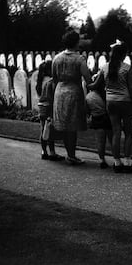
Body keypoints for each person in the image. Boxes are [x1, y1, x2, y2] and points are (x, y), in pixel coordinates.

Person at [92, 40, 132, 173]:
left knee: (116, 132)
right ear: (124, 55)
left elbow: (95, 85)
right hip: (125, 101)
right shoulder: (127, 68)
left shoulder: (105, 67)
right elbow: (131, 88)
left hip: (110, 102)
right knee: (129, 133)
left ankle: (117, 163)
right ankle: (127, 162)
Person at [52, 29, 92, 165]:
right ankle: (72, 155)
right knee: (72, 126)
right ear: (76, 42)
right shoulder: (79, 59)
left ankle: (69, 154)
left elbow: (54, 78)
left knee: (64, 124)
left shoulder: (56, 58)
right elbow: (88, 79)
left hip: (59, 92)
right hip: (74, 93)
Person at [35, 60, 64, 161]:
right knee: (49, 129)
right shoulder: (50, 81)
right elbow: (51, 96)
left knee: (43, 129)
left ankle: (44, 151)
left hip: (42, 106)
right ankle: (52, 152)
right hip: (49, 106)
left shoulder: (40, 80)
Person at [86, 74, 113, 169]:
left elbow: (87, 110)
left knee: (100, 141)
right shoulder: (106, 94)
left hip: (96, 119)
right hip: (107, 118)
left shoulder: (89, 97)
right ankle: (116, 159)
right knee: (111, 139)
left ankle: (102, 160)